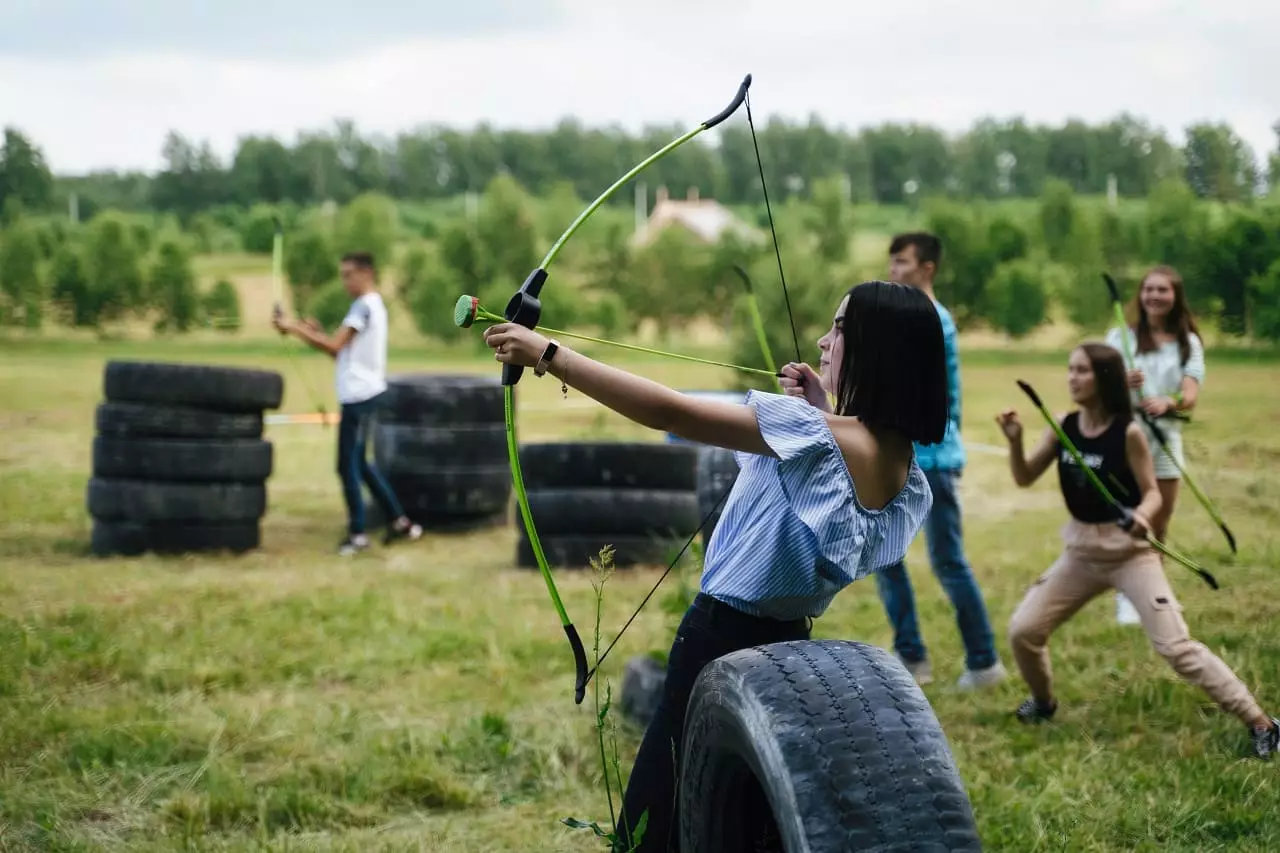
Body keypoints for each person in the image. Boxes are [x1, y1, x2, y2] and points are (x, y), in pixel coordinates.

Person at [483, 279, 948, 852]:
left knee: (656, 813)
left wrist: (548, 354)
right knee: (740, 816)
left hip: (718, 637)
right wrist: (826, 411)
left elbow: (668, 411)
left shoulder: (812, 435)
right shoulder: (899, 462)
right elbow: (846, 457)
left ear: (881, 349)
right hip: (789, 647)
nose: (824, 343)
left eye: (840, 330)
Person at [995, 341, 1278, 759]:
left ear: (1104, 378)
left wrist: (1143, 517)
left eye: (1083, 371)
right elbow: (1023, 477)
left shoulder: (1127, 433)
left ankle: (1262, 722)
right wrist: (1015, 441)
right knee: (1024, 631)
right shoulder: (1062, 426)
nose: (1073, 378)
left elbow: (1152, 495)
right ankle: (1043, 702)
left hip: (1130, 555)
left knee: (1177, 648)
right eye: (1070, 369)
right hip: (1081, 555)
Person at [871, 231, 1005, 689]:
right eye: (891, 262)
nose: (894, 270)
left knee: (947, 561)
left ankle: (984, 662)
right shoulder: (909, 316)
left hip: (935, 460)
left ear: (928, 268)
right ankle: (911, 656)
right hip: (902, 456)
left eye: (903, 262)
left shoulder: (933, 319)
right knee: (885, 556)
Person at [272, 251, 422, 555]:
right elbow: (341, 348)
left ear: (366, 273)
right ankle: (401, 522)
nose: (344, 281)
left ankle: (358, 534)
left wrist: (293, 328)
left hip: (359, 396)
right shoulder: (372, 306)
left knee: (347, 466)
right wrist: (312, 331)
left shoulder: (363, 307)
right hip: (366, 393)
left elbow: (335, 347)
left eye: (348, 274)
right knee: (361, 465)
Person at [1105, 265, 1205, 625]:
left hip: (1164, 442)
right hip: (1125, 441)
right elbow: (1096, 386)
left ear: (1175, 297)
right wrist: (1119, 380)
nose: (1154, 296)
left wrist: (1168, 401)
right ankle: (1127, 597)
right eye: (1148, 289)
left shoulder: (1188, 343)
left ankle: (1154, 596)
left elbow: (1190, 395)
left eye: (1162, 290)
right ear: (1140, 295)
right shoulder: (1121, 337)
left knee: (1158, 524)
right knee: (1132, 521)